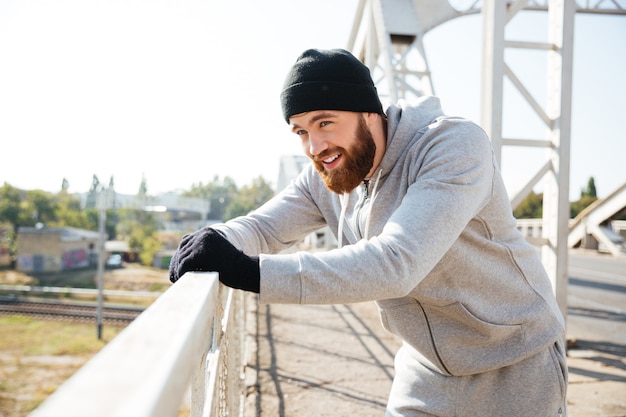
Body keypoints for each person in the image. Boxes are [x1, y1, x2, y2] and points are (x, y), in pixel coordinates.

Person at [169, 48, 568, 416]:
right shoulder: (326, 173)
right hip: (426, 369)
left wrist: (249, 272)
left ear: (369, 112)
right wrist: (216, 240)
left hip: (515, 363)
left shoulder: (452, 145)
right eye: (301, 131)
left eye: (326, 122)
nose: (315, 146)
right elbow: (262, 227)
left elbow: (397, 263)